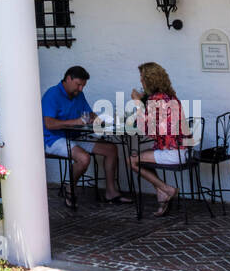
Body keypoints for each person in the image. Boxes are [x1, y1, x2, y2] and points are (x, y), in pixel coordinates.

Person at [42, 66, 129, 203]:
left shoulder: (78, 94)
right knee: (83, 158)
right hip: (54, 139)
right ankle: (69, 188)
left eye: (83, 85)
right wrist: (74, 122)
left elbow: (88, 114)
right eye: (78, 84)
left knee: (111, 149)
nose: (81, 88)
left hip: (74, 136)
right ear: (68, 78)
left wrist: (95, 118)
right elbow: (49, 124)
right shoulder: (52, 94)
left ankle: (111, 192)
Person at [127, 61, 185, 217]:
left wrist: (137, 103)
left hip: (172, 153)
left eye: (142, 77)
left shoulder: (156, 99)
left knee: (131, 161)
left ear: (149, 79)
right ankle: (161, 193)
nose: (140, 80)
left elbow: (147, 131)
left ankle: (166, 189)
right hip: (182, 150)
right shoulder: (169, 96)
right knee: (140, 156)